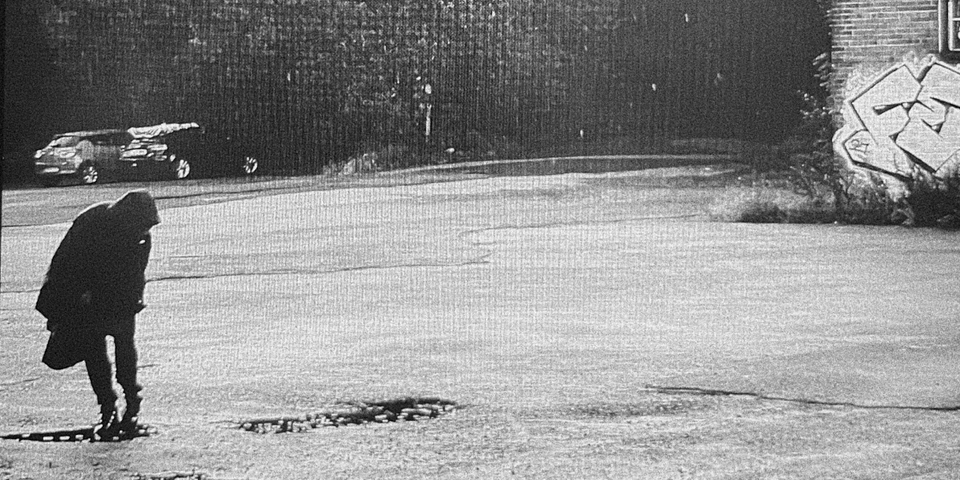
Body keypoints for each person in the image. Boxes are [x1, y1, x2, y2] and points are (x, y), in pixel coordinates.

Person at [36, 190, 160, 438]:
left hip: (118, 293)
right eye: (142, 226)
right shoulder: (92, 223)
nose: (145, 231)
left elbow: (138, 269)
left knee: (124, 343)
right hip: (87, 295)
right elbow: (65, 263)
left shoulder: (140, 233)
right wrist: (71, 299)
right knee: (95, 350)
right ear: (128, 218)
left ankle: (132, 397)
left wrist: (135, 297)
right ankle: (107, 403)